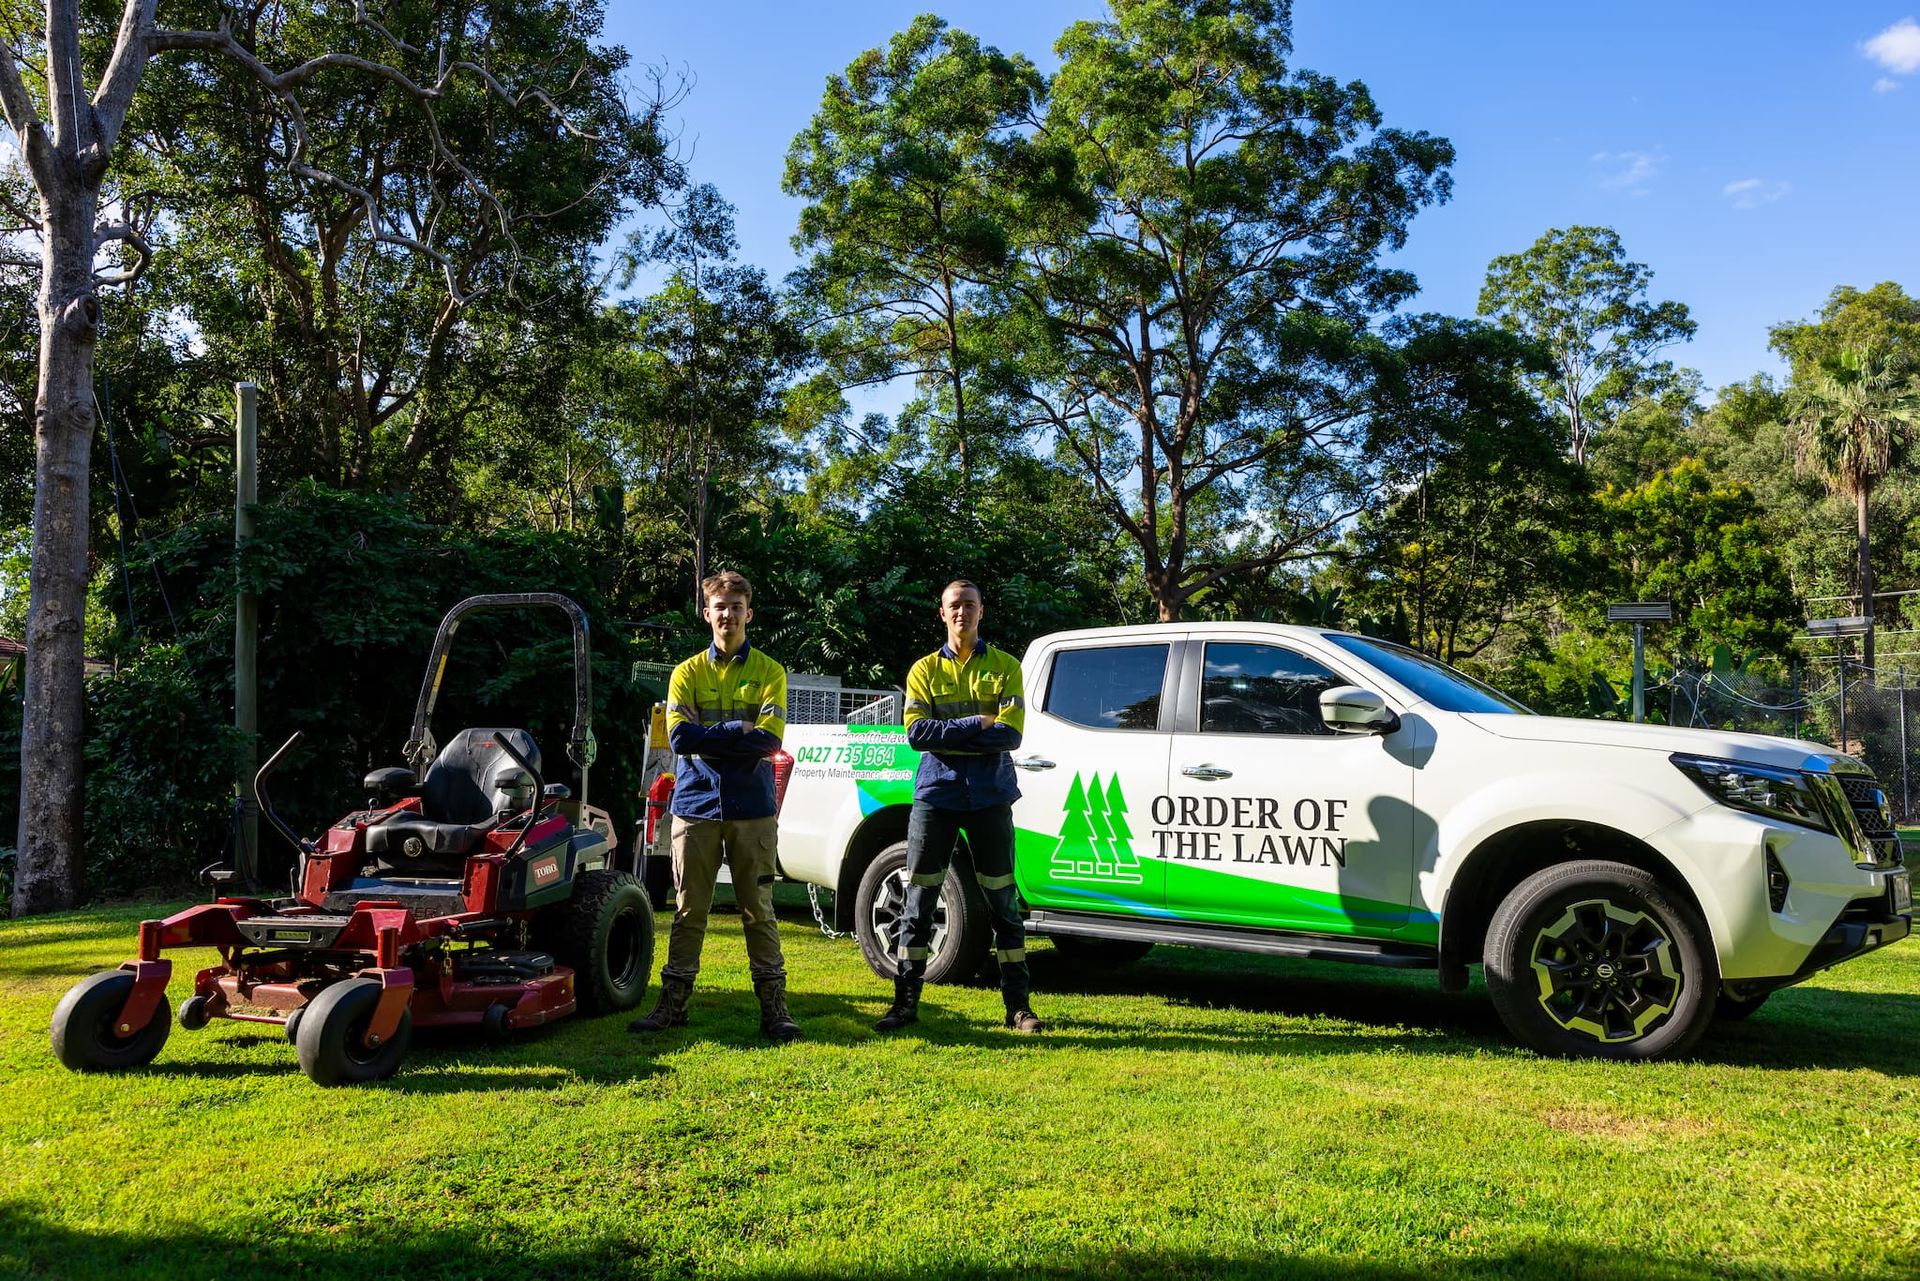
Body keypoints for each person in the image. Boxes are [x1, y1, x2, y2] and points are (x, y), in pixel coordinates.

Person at [629, 570, 800, 1042]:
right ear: (707, 613)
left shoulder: (770, 671)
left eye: (736, 606)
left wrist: (715, 737)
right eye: (719, 606)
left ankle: (774, 1010)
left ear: (750, 612)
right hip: (695, 806)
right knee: (688, 910)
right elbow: (680, 739)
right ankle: (673, 1006)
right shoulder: (685, 672)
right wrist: (736, 733)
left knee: (759, 910)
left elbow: (769, 739)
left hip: (752, 808)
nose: (728, 614)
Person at [874, 579, 1044, 1034]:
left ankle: (1018, 1008)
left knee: (1003, 904)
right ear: (942, 613)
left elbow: (1009, 736)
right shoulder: (923, 670)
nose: (962, 612)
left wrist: (950, 730)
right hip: (937, 796)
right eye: (954, 605)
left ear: (981, 611)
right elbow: (916, 734)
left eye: (969, 604)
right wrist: (976, 723)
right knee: (919, 900)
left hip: (990, 796)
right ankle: (905, 1003)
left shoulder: (1006, 666)